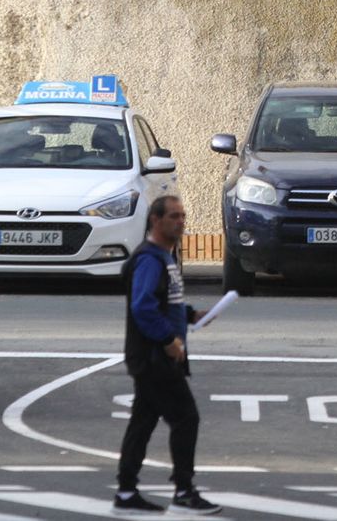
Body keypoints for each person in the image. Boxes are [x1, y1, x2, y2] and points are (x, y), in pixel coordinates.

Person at [114, 196, 220, 515]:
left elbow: (163, 303)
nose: (181, 221)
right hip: (154, 358)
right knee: (186, 418)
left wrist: (189, 315)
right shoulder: (150, 260)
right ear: (155, 220)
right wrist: (167, 339)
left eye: (184, 216)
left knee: (143, 422)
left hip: (153, 357)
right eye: (174, 216)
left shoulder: (164, 257)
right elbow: (143, 307)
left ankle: (127, 492)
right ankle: (184, 492)